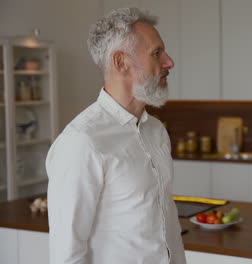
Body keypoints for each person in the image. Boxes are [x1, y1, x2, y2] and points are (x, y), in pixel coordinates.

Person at [46, 7, 186, 264]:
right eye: (157, 53)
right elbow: (67, 254)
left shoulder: (155, 131)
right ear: (121, 62)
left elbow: (167, 222)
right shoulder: (82, 142)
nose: (169, 62)